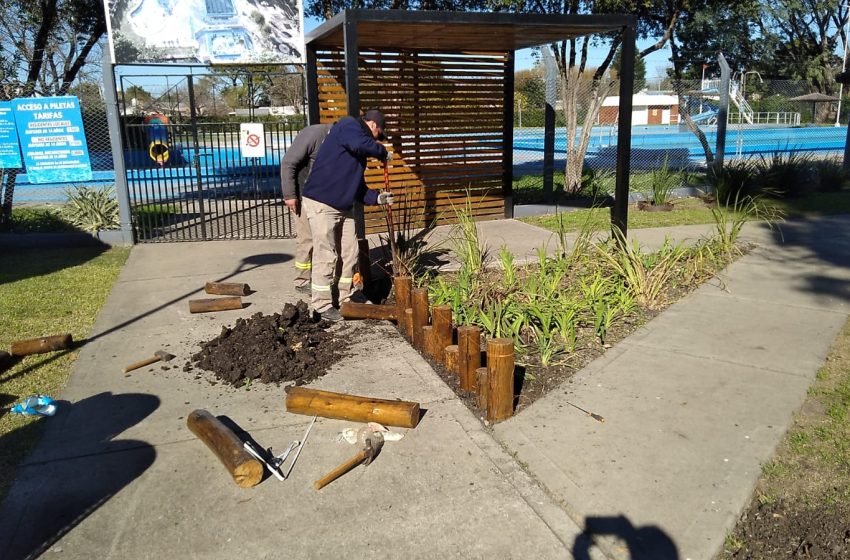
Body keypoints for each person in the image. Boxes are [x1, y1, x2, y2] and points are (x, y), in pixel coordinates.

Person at [301, 109, 394, 321]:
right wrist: (381, 152)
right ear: (373, 125)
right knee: (326, 253)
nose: (377, 140)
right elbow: (361, 143)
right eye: (378, 135)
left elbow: (357, 187)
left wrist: (377, 198)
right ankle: (321, 304)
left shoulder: (357, 152)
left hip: (343, 206)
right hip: (322, 202)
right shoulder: (348, 125)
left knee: (351, 252)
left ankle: (346, 296)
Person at [280, 122, 332, 294]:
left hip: (322, 196)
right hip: (303, 195)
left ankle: (320, 276)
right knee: (307, 238)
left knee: (323, 239)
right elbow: (288, 163)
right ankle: (302, 279)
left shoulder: (337, 140)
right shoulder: (314, 134)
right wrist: (290, 196)